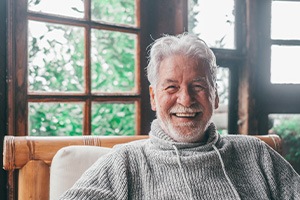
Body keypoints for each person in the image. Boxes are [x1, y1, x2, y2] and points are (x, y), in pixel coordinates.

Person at [60, 33, 300, 200]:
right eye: (171, 87)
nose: (185, 99)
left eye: (198, 86)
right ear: (154, 98)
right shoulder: (125, 162)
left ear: (215, 97)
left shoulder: (256, 154)